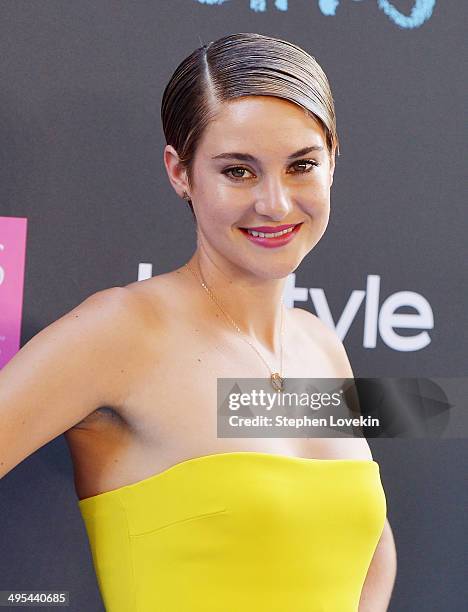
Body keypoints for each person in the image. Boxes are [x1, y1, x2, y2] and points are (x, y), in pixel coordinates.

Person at [0, 32, 396, 611]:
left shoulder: (320, 344)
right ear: (180, 172)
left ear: (333, 160)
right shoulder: (122, 331)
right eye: (238, 171)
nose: (276, 203)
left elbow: (369, 555)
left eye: (301, 165)